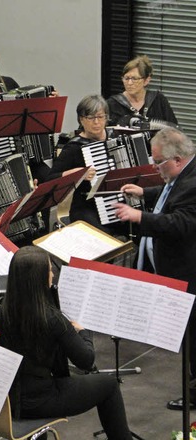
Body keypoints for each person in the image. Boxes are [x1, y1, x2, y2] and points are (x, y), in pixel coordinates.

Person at [0, 246, 133, 439]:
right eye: (49, 271)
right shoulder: (52, 319)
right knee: (109, 385)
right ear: (41, 279)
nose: (52, 274)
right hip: (40, 401)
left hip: (6, 401)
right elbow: (86, 361)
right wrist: (84, 332)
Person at [114, 127, 196, 410]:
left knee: (194, 337)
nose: (153, 166)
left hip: (189, 273)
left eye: (158, 162)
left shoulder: (193, 183)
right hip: (179, 269)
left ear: (176, 159)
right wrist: (145, 192)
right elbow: (170, 193)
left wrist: (140, 216)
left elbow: (181, 222)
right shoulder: (185, 173)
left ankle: (195, 395)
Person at [42, 95, 118, 232]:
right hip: (87, 207)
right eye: (90, 117)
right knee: (102, 233)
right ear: (81, 119)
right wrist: (77, 174)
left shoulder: (116, 137)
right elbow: (50, 180)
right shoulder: (74, 147)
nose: (96, 122)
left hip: (117, 201)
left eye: (100, 117)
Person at [107, 55, 178, 127]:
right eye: (126, 78)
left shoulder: (158, 100)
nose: (129, 83)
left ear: (146, 80)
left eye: (134, 79)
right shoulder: (112, 104)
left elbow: (174, 128)